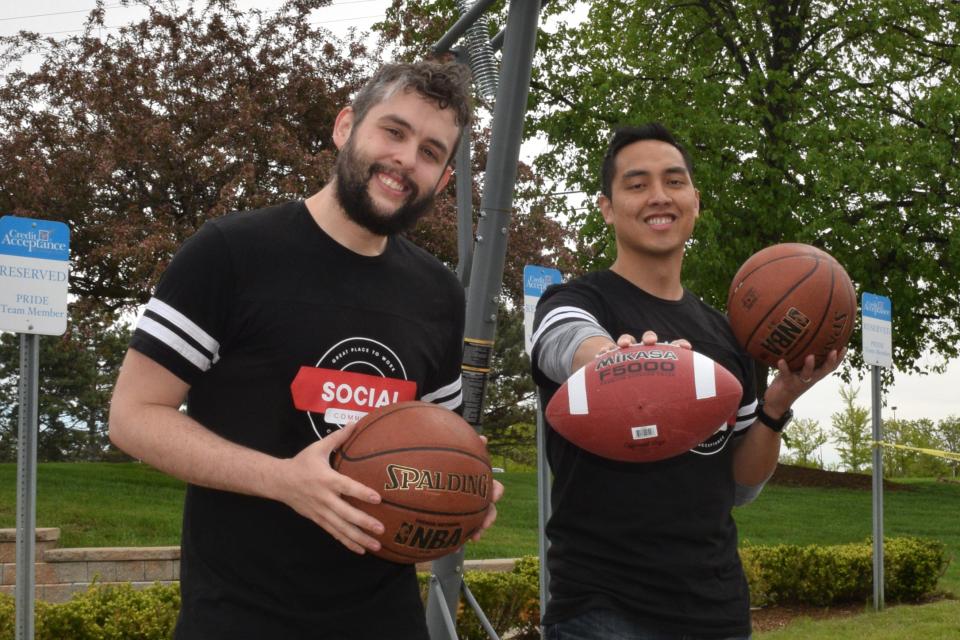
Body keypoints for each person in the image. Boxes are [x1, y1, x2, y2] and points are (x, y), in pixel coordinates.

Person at [109, 60, 502, 640]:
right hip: (241, 618)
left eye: (430, 151)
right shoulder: (230, 254)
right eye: (393, 131)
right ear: (346, 127)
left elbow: (435, 444)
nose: (405, 159)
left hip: (386, 620)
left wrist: (465, 492)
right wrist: (283, 480)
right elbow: (132, 416)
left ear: (443, 180)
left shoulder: (440, 293)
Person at [530, 123, 844, 639]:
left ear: (695, 200)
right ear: (607, 206)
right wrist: (620, 364)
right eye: (637, 184)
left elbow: (740, 487)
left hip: (716, 608)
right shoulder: (576, 302)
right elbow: (565, 343)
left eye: (674, 182)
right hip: (604, 609)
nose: (659, 196)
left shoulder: (729, 335)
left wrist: (777, 403)